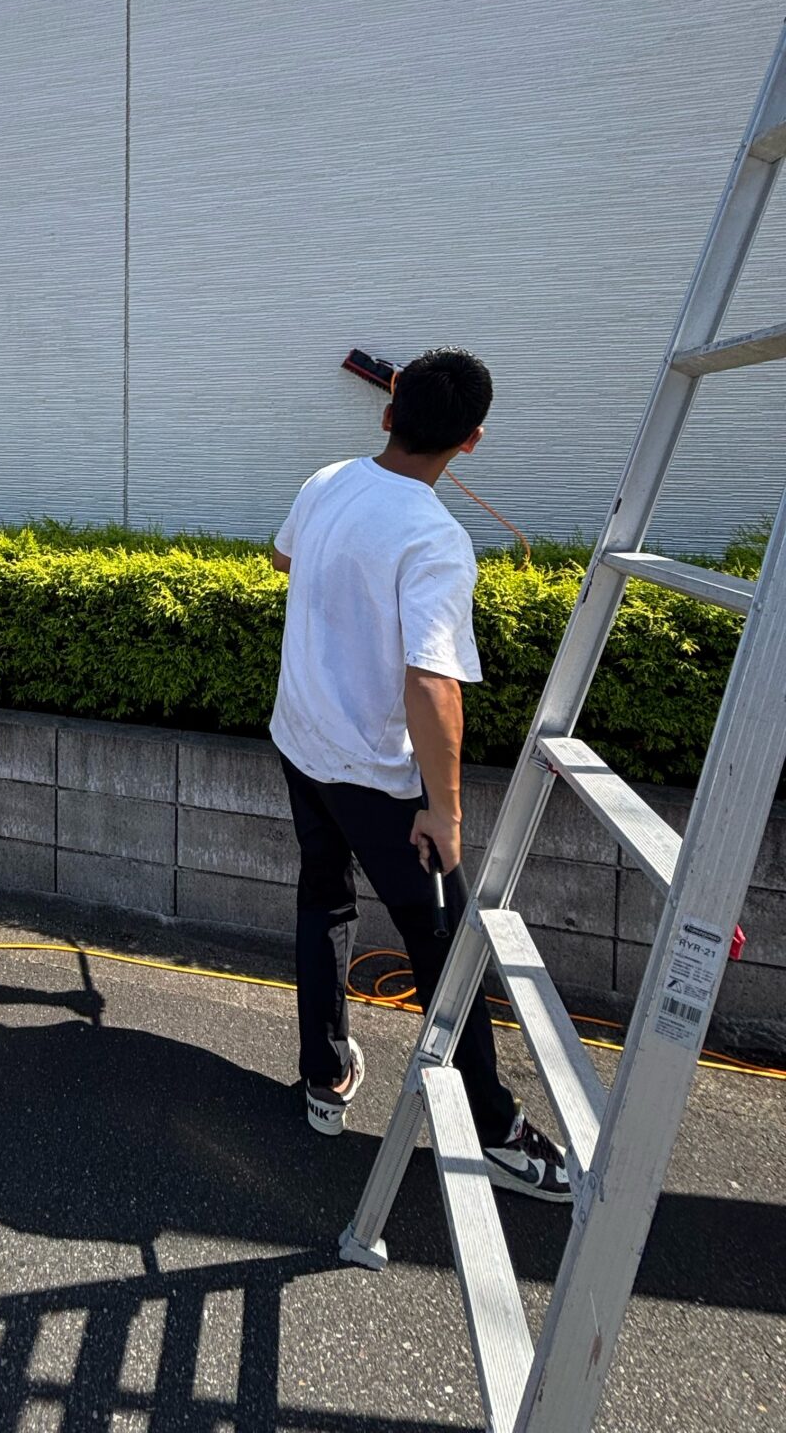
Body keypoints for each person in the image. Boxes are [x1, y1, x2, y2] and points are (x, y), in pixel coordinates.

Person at [271, 348, 569, 1201]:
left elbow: (287, 562)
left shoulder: (327, 481)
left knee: (324, 902)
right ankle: (494, 1127)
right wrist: (446, 811)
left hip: (302, 742)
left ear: (387, 413)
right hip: (377, 779)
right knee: (445, 947)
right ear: (471, 441)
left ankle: (325, 1077)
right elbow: (434, 684)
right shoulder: (435, 537)